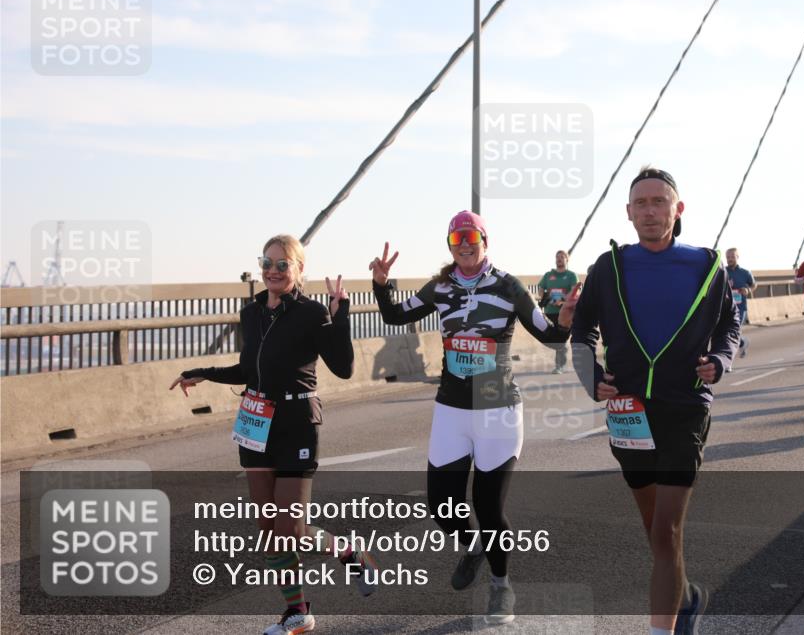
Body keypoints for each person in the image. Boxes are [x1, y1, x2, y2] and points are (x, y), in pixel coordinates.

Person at [369, 211, 580, 625]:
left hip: (497, 409)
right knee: (442, 505)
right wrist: (381, 286)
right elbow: (396, 316)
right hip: (451, 407)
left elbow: (548, 333)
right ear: (450, 244)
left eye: (471, 236)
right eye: (456, 238)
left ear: (485, 240)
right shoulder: (441, 287)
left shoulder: (509, 286)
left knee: (488, 505)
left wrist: (566, 323)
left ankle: (502, 588)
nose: (464, 244)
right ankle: (473, 545)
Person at [170, 234, 376, 635]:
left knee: (292, 529)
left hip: (297, 419)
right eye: (267, 262)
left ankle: (349, 552)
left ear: (299, 269)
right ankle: (297, 613)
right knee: (269, 530)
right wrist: (204, 372)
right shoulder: (251, 313)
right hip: (256, 420)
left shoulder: (313, 313)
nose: (272, 270)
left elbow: (345, 367)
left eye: (283, 264)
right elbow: (249, 369)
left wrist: (341, 315)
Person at [571, 166, 741, 635]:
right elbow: (582, 330)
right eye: (641, 203)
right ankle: (686, 597)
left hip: (685, 408)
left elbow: (729, 326)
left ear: (677, 209)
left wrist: (720, 361)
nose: (650, 211)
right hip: (628, 412)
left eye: (659, 202)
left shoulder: (706, 266)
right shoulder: (609, 268)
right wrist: (592, 377)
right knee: (655, 531)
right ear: (628, 213)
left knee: (666, 530)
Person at [538, 250, 579, 374]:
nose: (559, 259)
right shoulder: (548, 275)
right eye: (557, 257)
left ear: (567, 260)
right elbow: (541, 289)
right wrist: (544, 297)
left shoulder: (571, 275)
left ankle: (560, 365)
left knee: (561, 338)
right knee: (555, 339)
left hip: (565, 313)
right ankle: (561, 364)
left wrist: (562, 300)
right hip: (550, 311)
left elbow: (574, 293)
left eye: (562, 257)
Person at [724, 247, 756, 368]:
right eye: (728, 257)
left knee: (733, 332)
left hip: (740, 308)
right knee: (728, 333)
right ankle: (742, 342)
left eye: (732, 257)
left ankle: (728, 363)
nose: (729, 259)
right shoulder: (723, 271)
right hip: (726, 307)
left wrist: (748, 290)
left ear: (737, 257)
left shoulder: (745, 272)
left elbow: (754, 285)